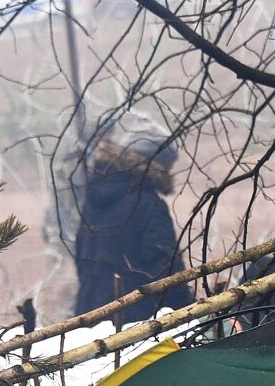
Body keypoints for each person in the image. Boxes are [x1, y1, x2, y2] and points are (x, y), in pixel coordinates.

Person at [74, 118, 191, 323]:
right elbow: (167, 269)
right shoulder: (147, 204)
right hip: (137, 322)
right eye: (167, 165)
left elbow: (81, 259)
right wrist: (187, 314)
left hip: (90, 316)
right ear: (156, 163)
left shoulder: (92, 201)